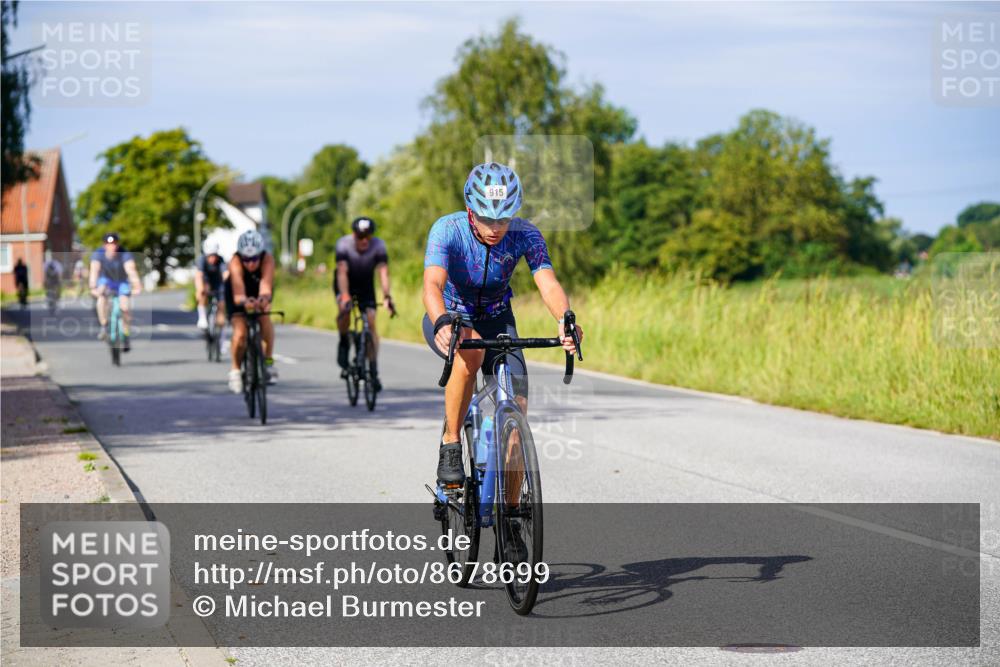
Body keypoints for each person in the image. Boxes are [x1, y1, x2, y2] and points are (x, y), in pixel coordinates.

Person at [422, 162, 583, 487]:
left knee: (516, 410)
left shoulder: (527, 235)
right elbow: (432, 285)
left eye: (504, 218)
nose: (496, 227)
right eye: (487, 218)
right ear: (470, 210)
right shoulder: (447, 229)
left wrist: (565, 319)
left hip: (497, 318)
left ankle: (513, 525)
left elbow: (548, 283)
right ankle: (451, 441)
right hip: (452, 315)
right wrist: (441, 321)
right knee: (471, 355)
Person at [333, 216, 396, 391]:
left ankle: (373, 371)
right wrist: (345, 296)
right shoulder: (343, 244)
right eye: (360, 236)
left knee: (371, 322)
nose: (364, 240)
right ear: (354, 235)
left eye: (368, 236)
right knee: (345, 311)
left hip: (366, 285)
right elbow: (342, 272)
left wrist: (387, 296)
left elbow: (383, 272)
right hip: (345, 283)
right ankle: (344, 340)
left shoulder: (378, 245)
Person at [225, 229, 277, 393]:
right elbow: (238, 291)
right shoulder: (235, 261)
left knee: (265, 322)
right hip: (237, 293)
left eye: (254, 259)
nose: (250, 264)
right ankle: (235, 370)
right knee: (240, 333)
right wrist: (245, 301)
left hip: (258, 290)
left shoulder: (267, 259)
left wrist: (263, 298)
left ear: (260, 254)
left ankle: (268, 363)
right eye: (246, 259)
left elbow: (266, 285)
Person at [89, 233, 143, 350]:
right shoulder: (98, 254)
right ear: (104, 246)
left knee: (125, 307)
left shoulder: (124, 254)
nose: (112, 247)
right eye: (108, 245)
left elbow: (131, 270)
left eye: (114, 244)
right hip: (106, 280)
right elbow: (94, 271)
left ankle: (126, 334)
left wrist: (137, 285)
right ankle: (104, 325)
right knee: (101, 296)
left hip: (121, 281)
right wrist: (93, 287)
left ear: (117, 245)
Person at [195, 239, 227, 331]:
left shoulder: (220, 260)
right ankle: (202, 317)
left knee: (222, 302)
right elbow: (199, 275)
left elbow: (225, 273)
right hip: (206, 281)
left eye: (214, 256)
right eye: (210, 256)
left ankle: (219, 332)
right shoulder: (201, 259)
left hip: (218, 283)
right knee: (202, 290)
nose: (213, 259)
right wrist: (200, 289)